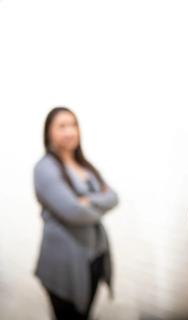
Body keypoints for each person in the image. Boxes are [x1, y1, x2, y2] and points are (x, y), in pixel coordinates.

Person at [34, 107, 119, 320]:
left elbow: (114, 197)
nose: (70, 131)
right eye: (62, 126)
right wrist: (97, 203)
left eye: (73, 125)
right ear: (49, 132)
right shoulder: (45, 168)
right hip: (63, 263)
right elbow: (74, 212)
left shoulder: (84, 166)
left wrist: (87, 201)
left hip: (94, 257)